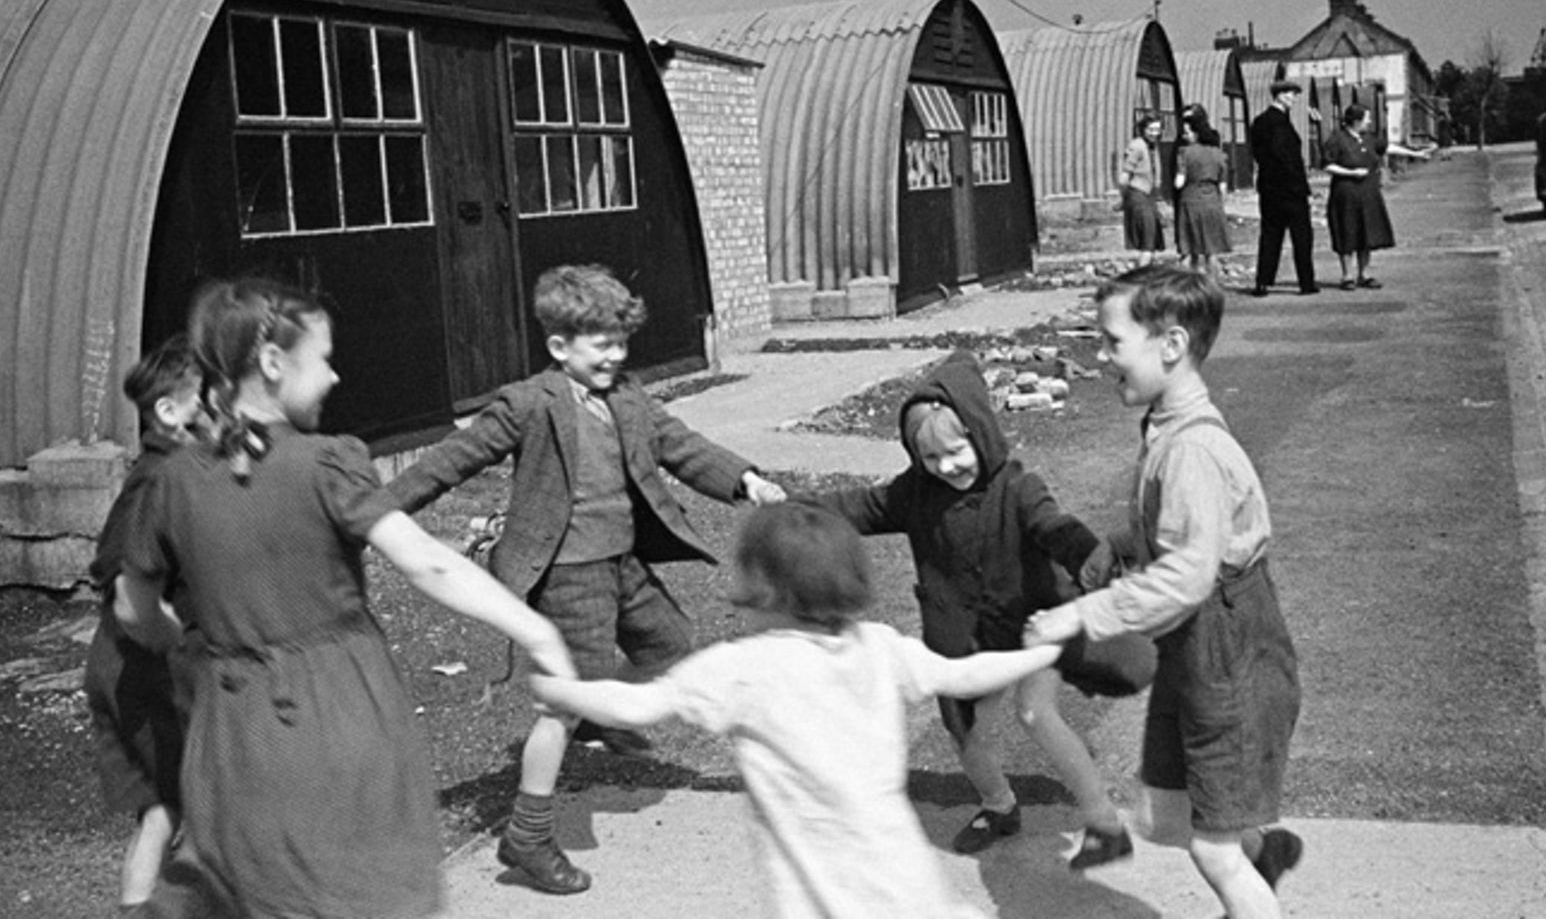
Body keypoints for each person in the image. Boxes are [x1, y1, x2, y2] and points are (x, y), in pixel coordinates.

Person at [114, 278, 573, 919]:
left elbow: (132, 605)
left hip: (230, 727)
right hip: (335, 713)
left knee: (253, 887)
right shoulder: (326, 464)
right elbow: (429, 564)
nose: (333, 377)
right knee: (358, 886)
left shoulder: (172, 481)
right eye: (322, 359)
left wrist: (188, 648)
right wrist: (537, 631)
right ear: (273, 364)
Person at [359, 263, 787, 895]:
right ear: (560, 347)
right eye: (601, 345)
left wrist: (746, 479)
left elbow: (683, 445)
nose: (615, 356)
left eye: (621, 343)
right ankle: (528, 834)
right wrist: (374, 511)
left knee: (671, 643)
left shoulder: (630, 397)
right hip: (565, 572)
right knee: (562, 703)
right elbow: (451, 462)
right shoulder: (530, 403)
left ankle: (601, 712)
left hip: (623, 562)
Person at [530, 501, 1064, 919]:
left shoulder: (742, 669)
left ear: (761, 587)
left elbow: (639, 703)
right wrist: (1038, 653)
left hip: (814, 885)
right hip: (902, 875)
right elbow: (962, 674)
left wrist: (564, 691)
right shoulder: (878, 647)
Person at [1026, 265, 1304, 919]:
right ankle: (1262, 852)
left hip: (1227, 650)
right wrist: (1125, 548)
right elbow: (1176, 531)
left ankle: (1251, 878)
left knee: (1212, 850)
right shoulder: (1168, 427)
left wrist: (1078, 615)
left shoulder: (1191, 449)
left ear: (1171, 346)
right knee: (1167, 813)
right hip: (1199, 649)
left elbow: (1187, 576)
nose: (1102, 356)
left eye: (1113, 342)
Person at [796, 351, 1131, 869]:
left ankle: (1104, 821)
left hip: (1034, 626)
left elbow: (1055, 529)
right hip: (961, 638)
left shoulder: (1018, 487)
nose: (946, 467)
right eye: (930, 459)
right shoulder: (915, 493)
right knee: (967, 730)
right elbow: (859, 507)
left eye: (956, 451)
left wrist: (1094, 560)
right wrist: (793, 507)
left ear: (981, 432)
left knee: (1035, 713)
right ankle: (998, 806)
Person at [82, 336, 206, 913]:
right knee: (186, 802)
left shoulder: (165, 471)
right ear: (168, 411)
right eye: (201, 399)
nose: (210, 410)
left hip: (131, 660)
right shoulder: (157, 481)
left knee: (163, 809)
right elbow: (116, 571)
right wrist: (173, 631)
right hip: (141, 664)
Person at [1248, 81, 1318, 296]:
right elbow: (1287, 159)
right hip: (1289, 189)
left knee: (1270, 235)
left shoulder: (1259, 122)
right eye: (1289, 94)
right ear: (1278, 95)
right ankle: (1306, 282)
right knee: (1302, 237)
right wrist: (1302, 188)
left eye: (1294, 94)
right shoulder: (1280, 124)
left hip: (1269, 188)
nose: (1293, 98)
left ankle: (1263, 281)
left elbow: (1258, 154)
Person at [1322, 103, 1396, 290]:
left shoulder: (1368, 139)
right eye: (1367, 118)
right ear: (1356, 121)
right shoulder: (1337, 139)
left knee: (1367, 233)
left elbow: (1387, 148)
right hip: (1346, 194)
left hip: (1368, 193)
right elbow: (1327, 165)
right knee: (1347, 232)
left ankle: (1365, 274)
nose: (1369, 122)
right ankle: (1347, 276)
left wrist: (1416, 153)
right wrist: (1350, 172)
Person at [1174, 105, 1232, 277]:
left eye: (1187, 133)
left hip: (1190, 200)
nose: (1185, 136)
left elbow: (1179, 182)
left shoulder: (1184, 152)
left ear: (1195, 133)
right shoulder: (1219, 154)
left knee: (1188, 249)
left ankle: (1187, 289)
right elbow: (1223, 186)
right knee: (1210, 250)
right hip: (1212, 201)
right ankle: (1212, 287)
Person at [1119, 114, 1168, 266]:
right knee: (1148, 243)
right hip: (1138, 194)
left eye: (1157, 130)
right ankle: (1141, 279)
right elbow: (1124, 177)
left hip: (1149, 196)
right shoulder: (1137, 146)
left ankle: (1145, 275)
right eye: (1151, 129)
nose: (1155, 133)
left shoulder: (1152, 147)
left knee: (1151, 242)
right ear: (1142, 129)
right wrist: (1125, 198)